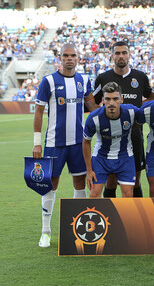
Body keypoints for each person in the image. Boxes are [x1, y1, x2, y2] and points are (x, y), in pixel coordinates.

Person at [32, 43, 97, 247]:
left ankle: (80, 230)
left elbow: (92, 107)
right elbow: (39, 112)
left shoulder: (84, 80)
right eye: (66, 55)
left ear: (78, 58)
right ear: (60, 58)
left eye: (73, 55)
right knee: (50, 186)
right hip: (54, 143)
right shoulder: (48, 81)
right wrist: (36, 143)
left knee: (80, 184)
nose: (70, 58)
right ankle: (45, 232)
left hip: (78, 143)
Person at [93, 41, 153, 198]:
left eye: (124, 52)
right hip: (110, 138)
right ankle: (110, 219)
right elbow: (92, 101)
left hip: (134, 135)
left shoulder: (140, 77)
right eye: (117, 53)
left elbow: (152, 96)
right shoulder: (103, 78)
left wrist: (140, 108)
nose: (121, 56)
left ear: (129, 55)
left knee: (136, 182)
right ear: (112, 56)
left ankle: (136, 220)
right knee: (111, 181)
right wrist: (100, 118)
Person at [83, 82, 137, 198]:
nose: (111, 103)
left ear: (121, 99)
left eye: (115, 99)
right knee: (94, 195)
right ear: (103, 100)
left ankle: (124, 217)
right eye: (108, 99)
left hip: (125, 157)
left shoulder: (132, 112)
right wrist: (89, 170)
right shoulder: (94, 118)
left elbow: (151, 116)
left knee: (128, 196)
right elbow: (86, 141)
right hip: (101, 158)